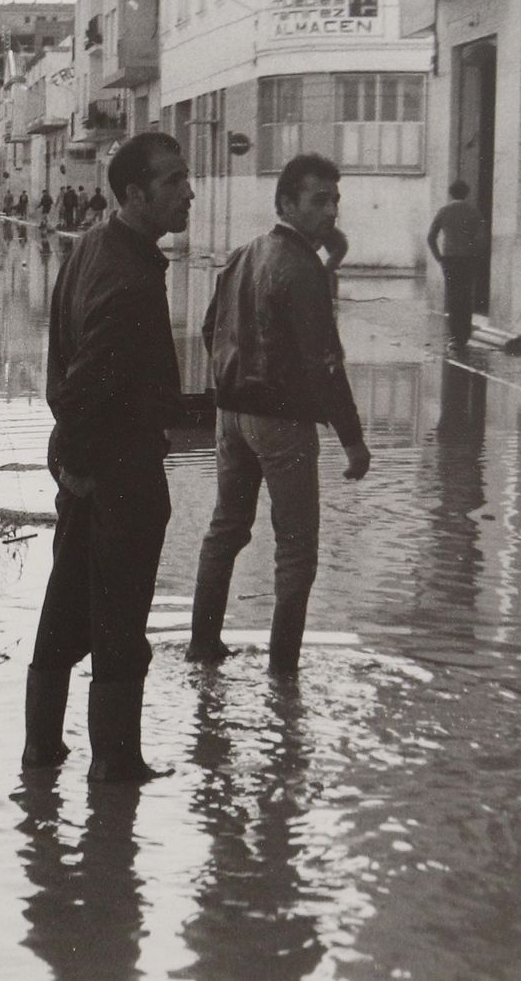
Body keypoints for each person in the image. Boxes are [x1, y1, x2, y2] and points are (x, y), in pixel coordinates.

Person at [22, 130, 193, 783]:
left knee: (66, 610)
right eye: (175, 181)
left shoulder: (94, 246)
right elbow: (92, 378)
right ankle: (116, 766)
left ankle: (43, 753)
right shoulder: (129, 277)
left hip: (83, 465)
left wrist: (68, 457)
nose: (189, 191)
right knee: (121, 623)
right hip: (119, 471)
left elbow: (63, 367)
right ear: (136, 194)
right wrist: (90, 462)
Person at [186, 153, 371, 678]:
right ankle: (283, 675)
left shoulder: (245, 254)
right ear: (287, 202)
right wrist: (353, 442)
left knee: (225, 530)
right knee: (296, 550)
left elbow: (208, 329)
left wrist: (231, 380)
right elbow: (325, 365)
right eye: (319, 200)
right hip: (283, 422)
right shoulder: (301, 268)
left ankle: (203, 648)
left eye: (335, 200)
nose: (331, 211)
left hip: (231, 417)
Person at [426, 180, 487, 353]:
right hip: (467, 259)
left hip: (450, 259)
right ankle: (465, 336)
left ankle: (455, 336)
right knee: (466, 296)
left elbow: (431, 237)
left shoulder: (444, 211)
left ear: (451, 193)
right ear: (466, 193)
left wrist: (439, 257)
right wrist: (475, 254)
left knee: (453, 296)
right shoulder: (473, 212)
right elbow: (481, 239)